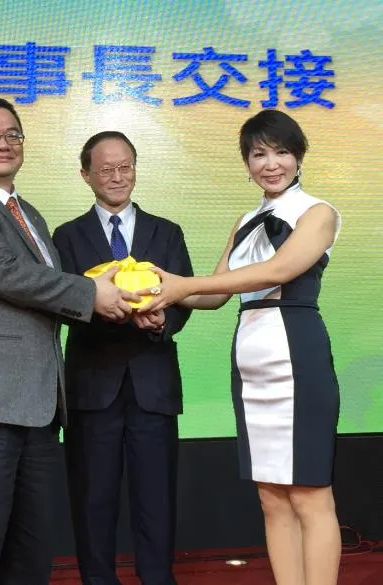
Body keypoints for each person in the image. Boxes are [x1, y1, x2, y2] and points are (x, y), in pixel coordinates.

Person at [0, 98, 140, 585]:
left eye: (12, 135)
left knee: (31, 552)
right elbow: (7, 276)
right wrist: (92, 294)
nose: (2, 144)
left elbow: (45, 293)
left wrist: (133, 303)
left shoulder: (29, 214)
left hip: (36, 406)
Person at [139, 109, 342, 585]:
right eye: (258, 154)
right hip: (251, 362)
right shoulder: (247, 219)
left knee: (310, 493)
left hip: (297, 354)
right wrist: (157, 292)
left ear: (298, 156)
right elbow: (215, 295)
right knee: (271, 497)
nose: (271, 164)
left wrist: (183, 283)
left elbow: (277, 271)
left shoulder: (318, 212)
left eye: (281, 152)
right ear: (246, 163)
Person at [52, 131, 193, 585]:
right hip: (93, 387)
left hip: (154, 384)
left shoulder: (167, 231)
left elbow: (185, 297)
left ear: (135, 168)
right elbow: (59, 302)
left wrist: (163, 321)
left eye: (125, 167)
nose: (117, 177)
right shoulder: (66, 236)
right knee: (93, 499)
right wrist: (101, 309)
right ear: (85, 175)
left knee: (157, 498)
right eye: (106, 169)